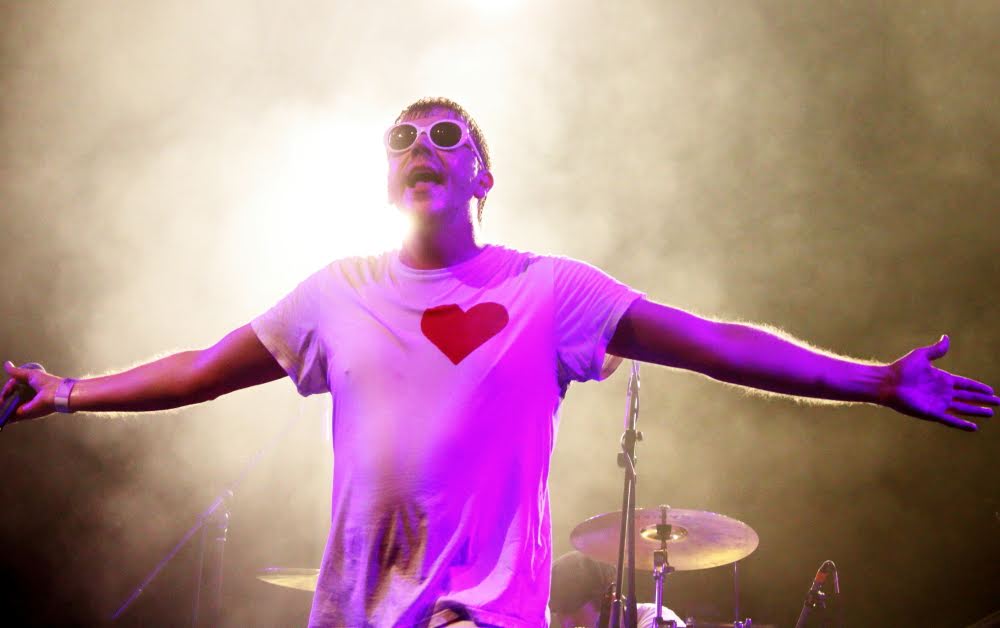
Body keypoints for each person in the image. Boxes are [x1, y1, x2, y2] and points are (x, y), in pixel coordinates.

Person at [2, 97, 996, 627]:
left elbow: (714, 343)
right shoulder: (334, 293)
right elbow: (201, 368)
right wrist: (68, 391)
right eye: (402, 137)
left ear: (482, 176)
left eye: (446, 135)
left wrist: (873, 379)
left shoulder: (548, 291)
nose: (420, 145)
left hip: (482, 615)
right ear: (387, 178)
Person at [549, 551, 686, 628]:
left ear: (609, 602)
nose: (566, 621)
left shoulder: (654, 619)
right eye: (557, 610)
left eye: (578, 626)